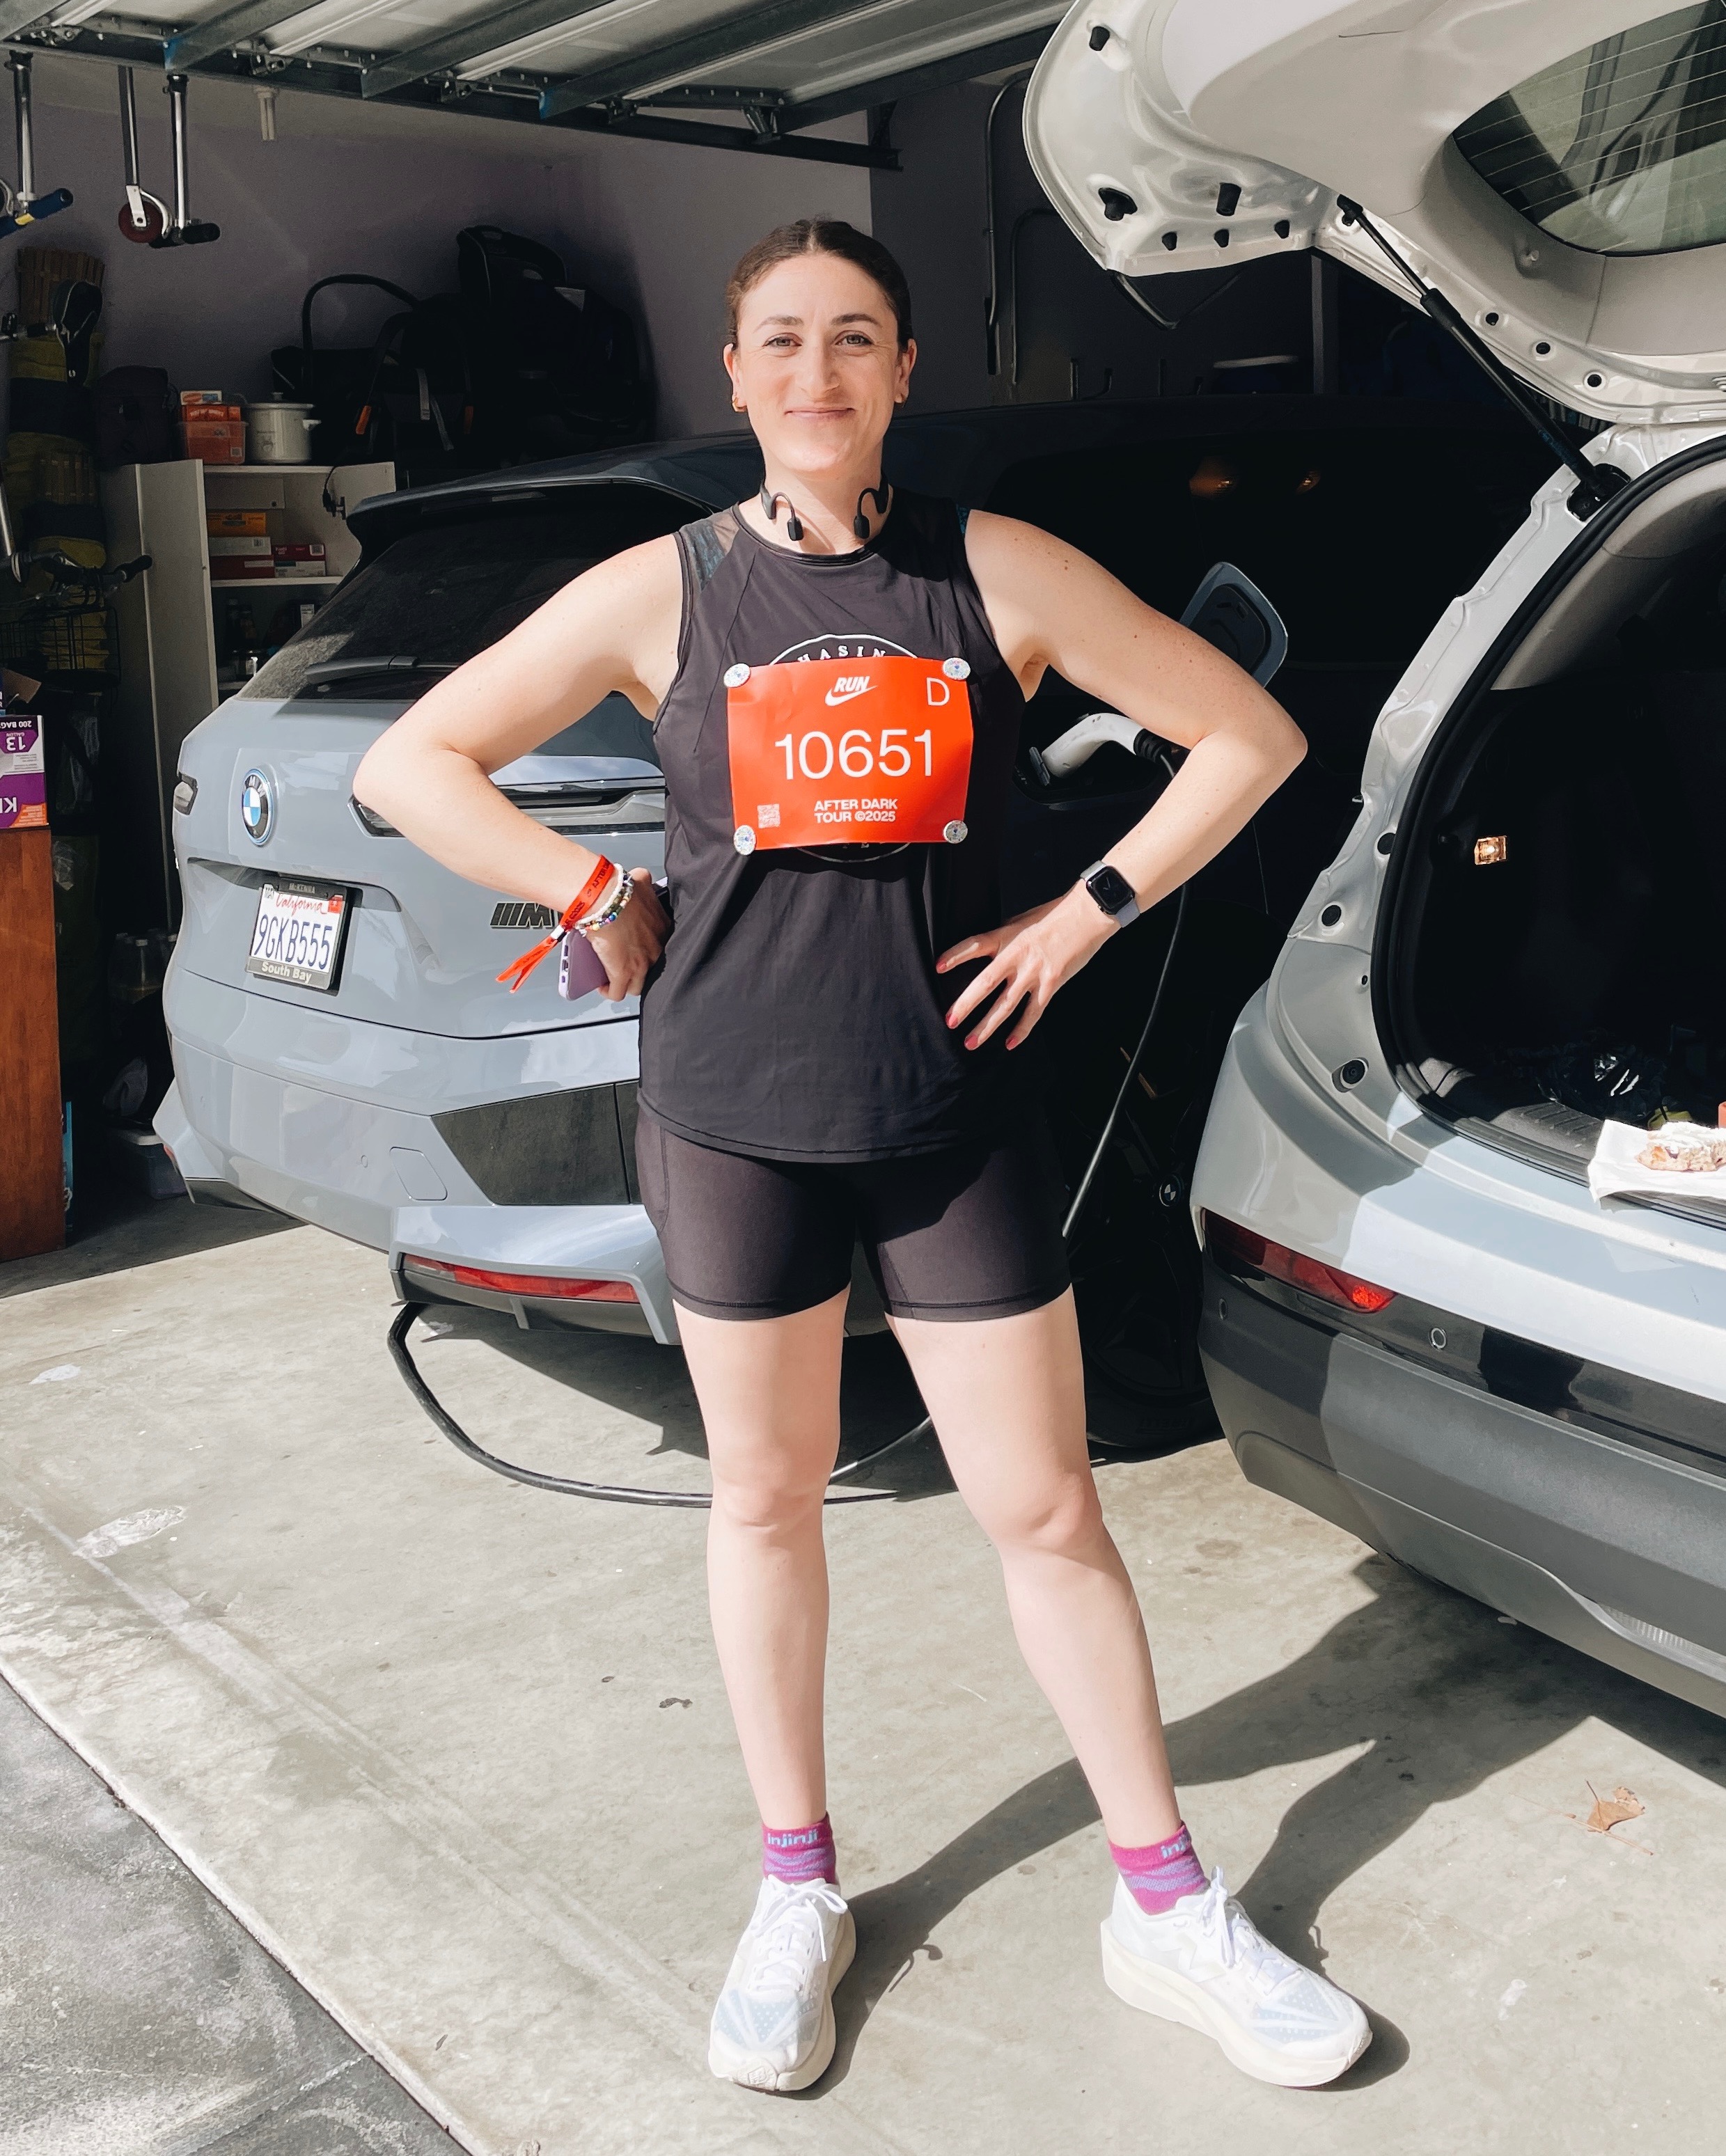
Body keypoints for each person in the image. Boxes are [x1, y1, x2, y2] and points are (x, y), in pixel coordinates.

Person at [354, 218, 1371, 2095]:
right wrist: (582, 882)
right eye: (780, 340)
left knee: (1046, 1511)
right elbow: (412, 763)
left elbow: (1249, 733)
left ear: (905, 371)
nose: (815, 372)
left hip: (948, 1118)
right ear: (734, 373)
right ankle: (795, 1888)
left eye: (853, 338)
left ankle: (1162, 1901)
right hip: (731, 1116)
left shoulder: (995, 571)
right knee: (764, 1505)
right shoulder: (660, 591)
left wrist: (1086, 914)